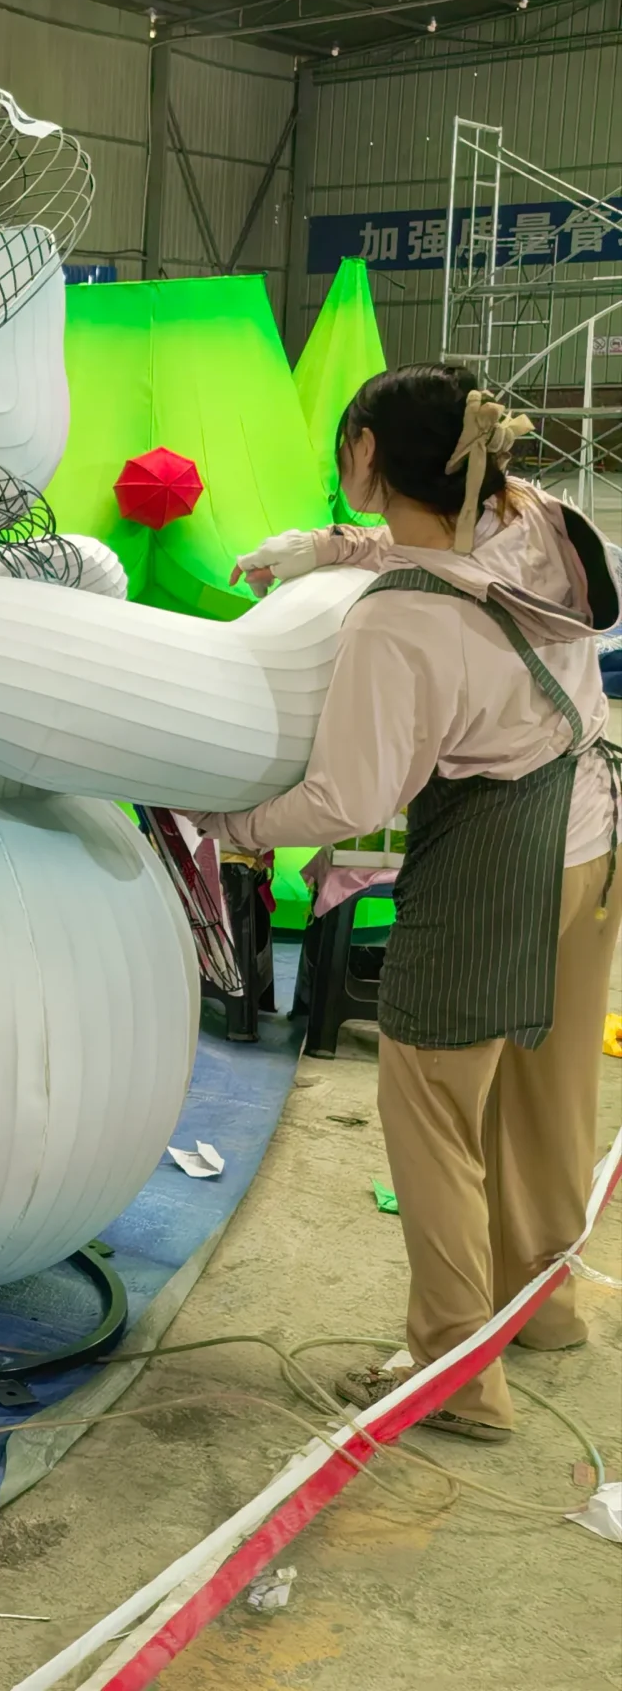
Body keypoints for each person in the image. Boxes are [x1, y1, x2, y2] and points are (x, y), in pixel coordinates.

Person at [209, 365, 619, 1440]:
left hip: (494, 873)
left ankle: (453, 1376)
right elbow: (442, 545)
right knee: (545, 1100)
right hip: (590, 843)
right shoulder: (544, 523)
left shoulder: (394, 623)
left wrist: (233, 827)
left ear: (367, 459)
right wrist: (329, 547)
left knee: (432, 1112)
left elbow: (350, 793)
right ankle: (544, 1313)